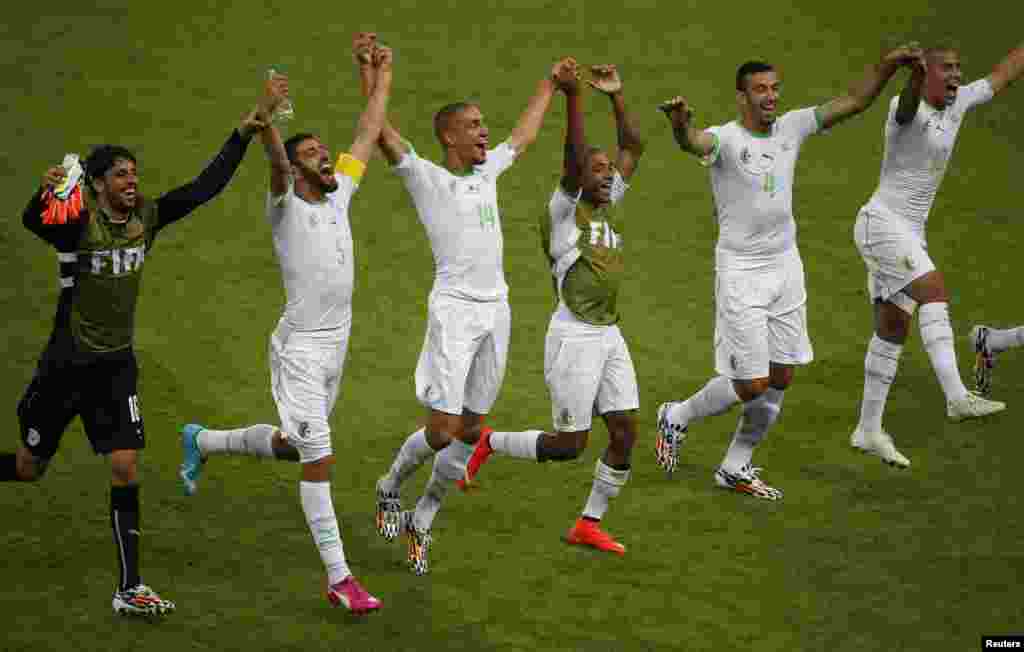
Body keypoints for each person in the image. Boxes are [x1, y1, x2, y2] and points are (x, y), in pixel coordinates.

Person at [4, 89, 271, 616]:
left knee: (125, 466)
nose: (132, 182)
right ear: (98, 183)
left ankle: (130, 587)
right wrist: (45, 193)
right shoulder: (79, 224)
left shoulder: (147, 218)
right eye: (121, 175)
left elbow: (201, 190)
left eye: (134, 174)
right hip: (66, 365)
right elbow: (35, 223)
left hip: (116, 366)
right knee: (29, 467)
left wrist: (242, 135)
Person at [177, 40, 394, 613]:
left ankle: (202, 440)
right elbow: (274, 165)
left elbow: (369, 133)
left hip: (336, 348)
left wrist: (379, 76)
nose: (328, 158)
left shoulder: (339, 195)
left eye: (327, 152)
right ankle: (340, 578)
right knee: (319, 459)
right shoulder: (285, 208)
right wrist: (269, 118)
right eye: (315, 155)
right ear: (298, 169)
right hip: (299, 351)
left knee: (295, 447)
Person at [655, 46, 923, 498]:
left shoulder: (793, 127)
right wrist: (680, 125)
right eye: (760, 89)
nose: (770, 96)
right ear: (741, 97)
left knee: (781, 375)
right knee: (751, 382)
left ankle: (735, 466)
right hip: (740, 271)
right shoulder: (727, 140)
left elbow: (854, 102)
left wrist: (891, 65)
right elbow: (694, 142)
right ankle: (677, 415)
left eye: (775, 88)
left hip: (785, 265)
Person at [368, 34, 575, 574]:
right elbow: (381, 133)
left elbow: (523, 138)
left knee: (471, 428)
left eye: (484, 124)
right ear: (448, 136)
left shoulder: (487, 173)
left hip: (497, 310)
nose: (485, 131)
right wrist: (370, 72)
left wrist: (549, 85)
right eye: (474, 125)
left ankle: (423, 519)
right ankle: (389, 485)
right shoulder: (425, 177)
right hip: (455, 312)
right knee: (440, 430)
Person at [458, 63, 645, 556]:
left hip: (609, 333)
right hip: (574, 336)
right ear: (580, 175)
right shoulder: (564, 213)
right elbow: (573, 158)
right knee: (571, 445)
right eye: (597, 170)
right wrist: (572, 98)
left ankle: (588, 523)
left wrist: (617, 96)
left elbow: (633, 147)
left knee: (625, 432)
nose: (608, 175)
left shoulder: (608, 201)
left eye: (609, 172)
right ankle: (490, 443)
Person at [849, 42, 1022, 467]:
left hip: (909, 234)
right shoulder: (904, 108)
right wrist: (910, 76)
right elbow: (908, 107)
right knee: (933, 288)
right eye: (947, 69)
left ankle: (868, 429)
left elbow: (1002, 75)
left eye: (959, 68)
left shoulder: (958, 101)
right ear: (925, 74)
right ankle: (957, 396)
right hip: (882, 224)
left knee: (892, 330)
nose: (957, 75)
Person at [971, 324, 1024, 395]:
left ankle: (983, 388)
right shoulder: (986, 340)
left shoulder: (985, 342)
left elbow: (986, 360)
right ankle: (983, 387)